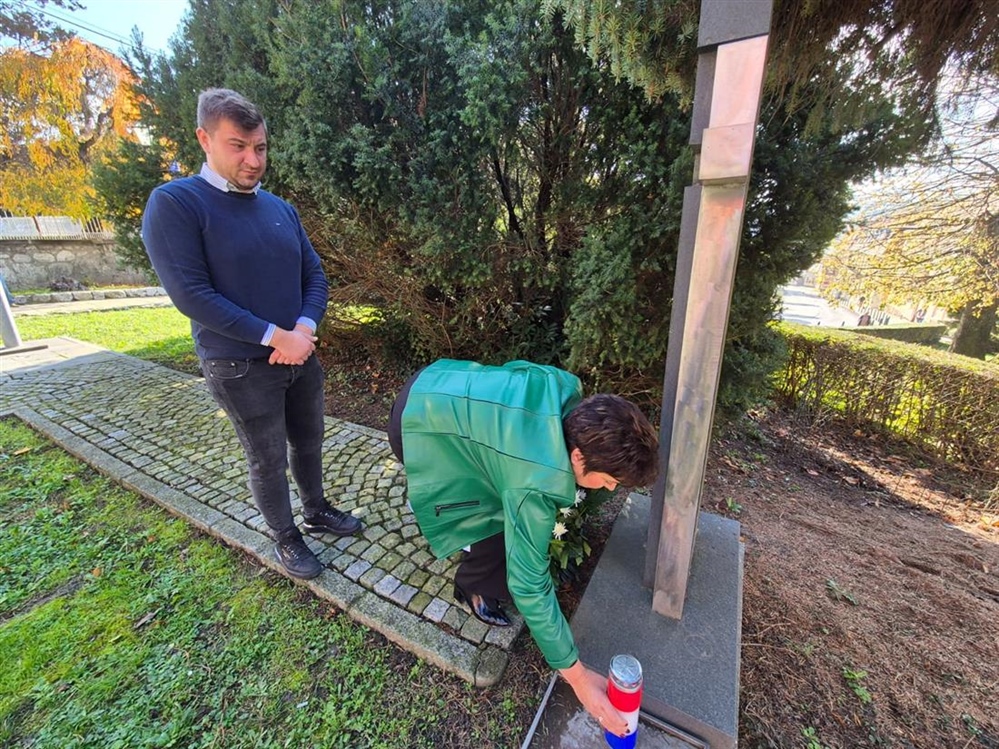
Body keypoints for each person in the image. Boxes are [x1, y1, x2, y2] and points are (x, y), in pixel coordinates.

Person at [141, 88, 362, 580]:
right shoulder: (176, 203)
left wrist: (303, 329)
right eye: (238, 146)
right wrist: (275, 337)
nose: (253, 160)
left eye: (260, 147)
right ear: (204, 139)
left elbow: (314, 275)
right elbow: (192, 295)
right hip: (238, 364)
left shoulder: (280, 208)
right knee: (266, 457)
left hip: (299, 354)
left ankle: (316, 509)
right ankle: (286, 536)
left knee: (309, 441)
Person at [387, 359, 659, 735]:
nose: (612, 488)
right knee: (493, 522)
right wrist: (579, 678)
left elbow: (516, 370)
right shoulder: (532, 484)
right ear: (578, 456)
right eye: (610, 480)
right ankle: (473, 588)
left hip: (439, 379)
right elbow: (529, 584)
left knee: (504, 504)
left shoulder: (566, 390)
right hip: (420, 424)